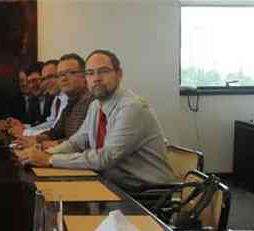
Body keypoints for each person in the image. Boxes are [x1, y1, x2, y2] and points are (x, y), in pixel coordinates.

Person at [19, 50, 175, 190]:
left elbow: (105, 157)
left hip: (147, 194)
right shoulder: (96, 106)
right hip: (113, 184)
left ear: (119, 74)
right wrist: (42, 153)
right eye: (90, 73)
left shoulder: (132, 107)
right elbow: (76, 142)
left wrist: (50, 159)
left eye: (103, 71)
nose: (96, 78)